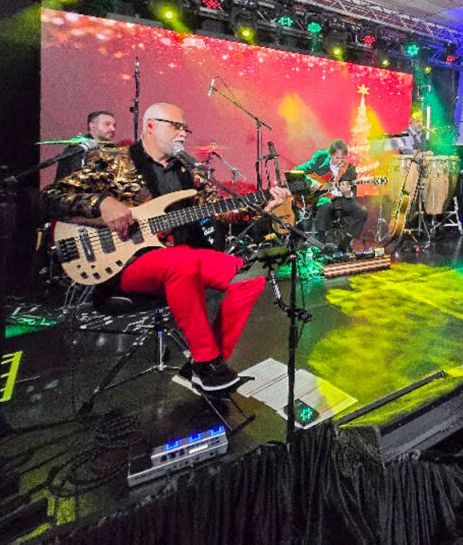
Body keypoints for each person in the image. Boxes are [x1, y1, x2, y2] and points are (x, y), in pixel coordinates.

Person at [42, 103, 290, 394]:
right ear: (150, 126)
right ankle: (206, 362)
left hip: (180, 256)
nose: (182, 133)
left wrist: (263, 203)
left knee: (250, 274)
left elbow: (221, 210)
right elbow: (52, 196)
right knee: (181, 261)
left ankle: (206, 364)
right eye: (176, 126)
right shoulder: (114, 161)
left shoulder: (188, 171)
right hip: (126, 261)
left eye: (185, 128)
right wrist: (103, 203)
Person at [296, 139, 368, 252]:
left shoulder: (349, 169)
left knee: (362, 212)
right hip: (320, 197)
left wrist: (347, 193)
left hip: (340, 199)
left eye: (342, 159)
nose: (340, 162)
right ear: (330, 154)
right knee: (325, 204)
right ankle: (321, 242)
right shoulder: (321, 157)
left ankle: (346, 242)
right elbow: (299, 170)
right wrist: (311, 183)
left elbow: (352, 194)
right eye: (337, 158)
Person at [53, 110, 117, 181]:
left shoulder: (115, 150)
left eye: (114, 125)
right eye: (107, 124)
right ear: (92, 125)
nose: (113, 129)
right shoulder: (77, 150)